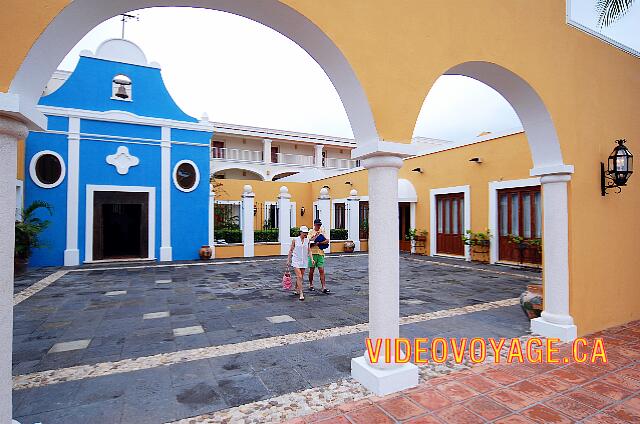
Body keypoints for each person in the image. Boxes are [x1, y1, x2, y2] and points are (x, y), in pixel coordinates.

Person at [287, 225, 315, 301]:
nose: (305, 234)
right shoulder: (295, 240)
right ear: (300, 232)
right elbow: (291, 250)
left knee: (300, 276)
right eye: (304, 233)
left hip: (304, 260)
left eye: (306, 233)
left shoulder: (307, 240)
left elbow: (309, 250)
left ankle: (296, 288)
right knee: (299, 276)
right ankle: (301, 293)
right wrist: (288, 260)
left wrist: (312, 259)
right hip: (296, 260)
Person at [308, 218, 330, 293]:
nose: (319, 226)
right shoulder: (311, 231)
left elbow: (327, 240)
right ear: (314, 224)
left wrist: (319, 243)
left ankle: (323, 287)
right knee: (312, 270)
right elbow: (309, 241)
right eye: (318, 225)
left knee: (321, 270)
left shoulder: (322, 231)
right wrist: (316, 237)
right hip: (312, 253)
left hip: (320, 252)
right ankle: (311, 285)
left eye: (320, 225)